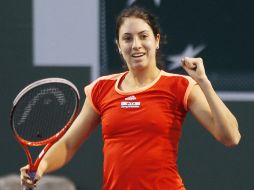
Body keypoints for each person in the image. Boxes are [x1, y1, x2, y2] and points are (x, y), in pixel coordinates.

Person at [20, 5, 241, 190]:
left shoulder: (180, 85)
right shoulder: (101, 88)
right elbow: (68, 145)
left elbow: (230, 137)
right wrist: (42, 165)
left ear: (156, 41)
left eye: (143, 36)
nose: (136, 45)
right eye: (127, 38)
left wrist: (204, 82)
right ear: (118, 46)